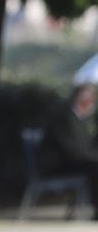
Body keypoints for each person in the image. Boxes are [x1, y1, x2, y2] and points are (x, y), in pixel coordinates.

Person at [38, 84, 98, 214]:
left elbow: (84, 149)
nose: (93, 103)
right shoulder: (65, 118)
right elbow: (72, 151)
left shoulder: (78, 120)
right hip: (55, 166)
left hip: (70, 163)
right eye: (91, 99)